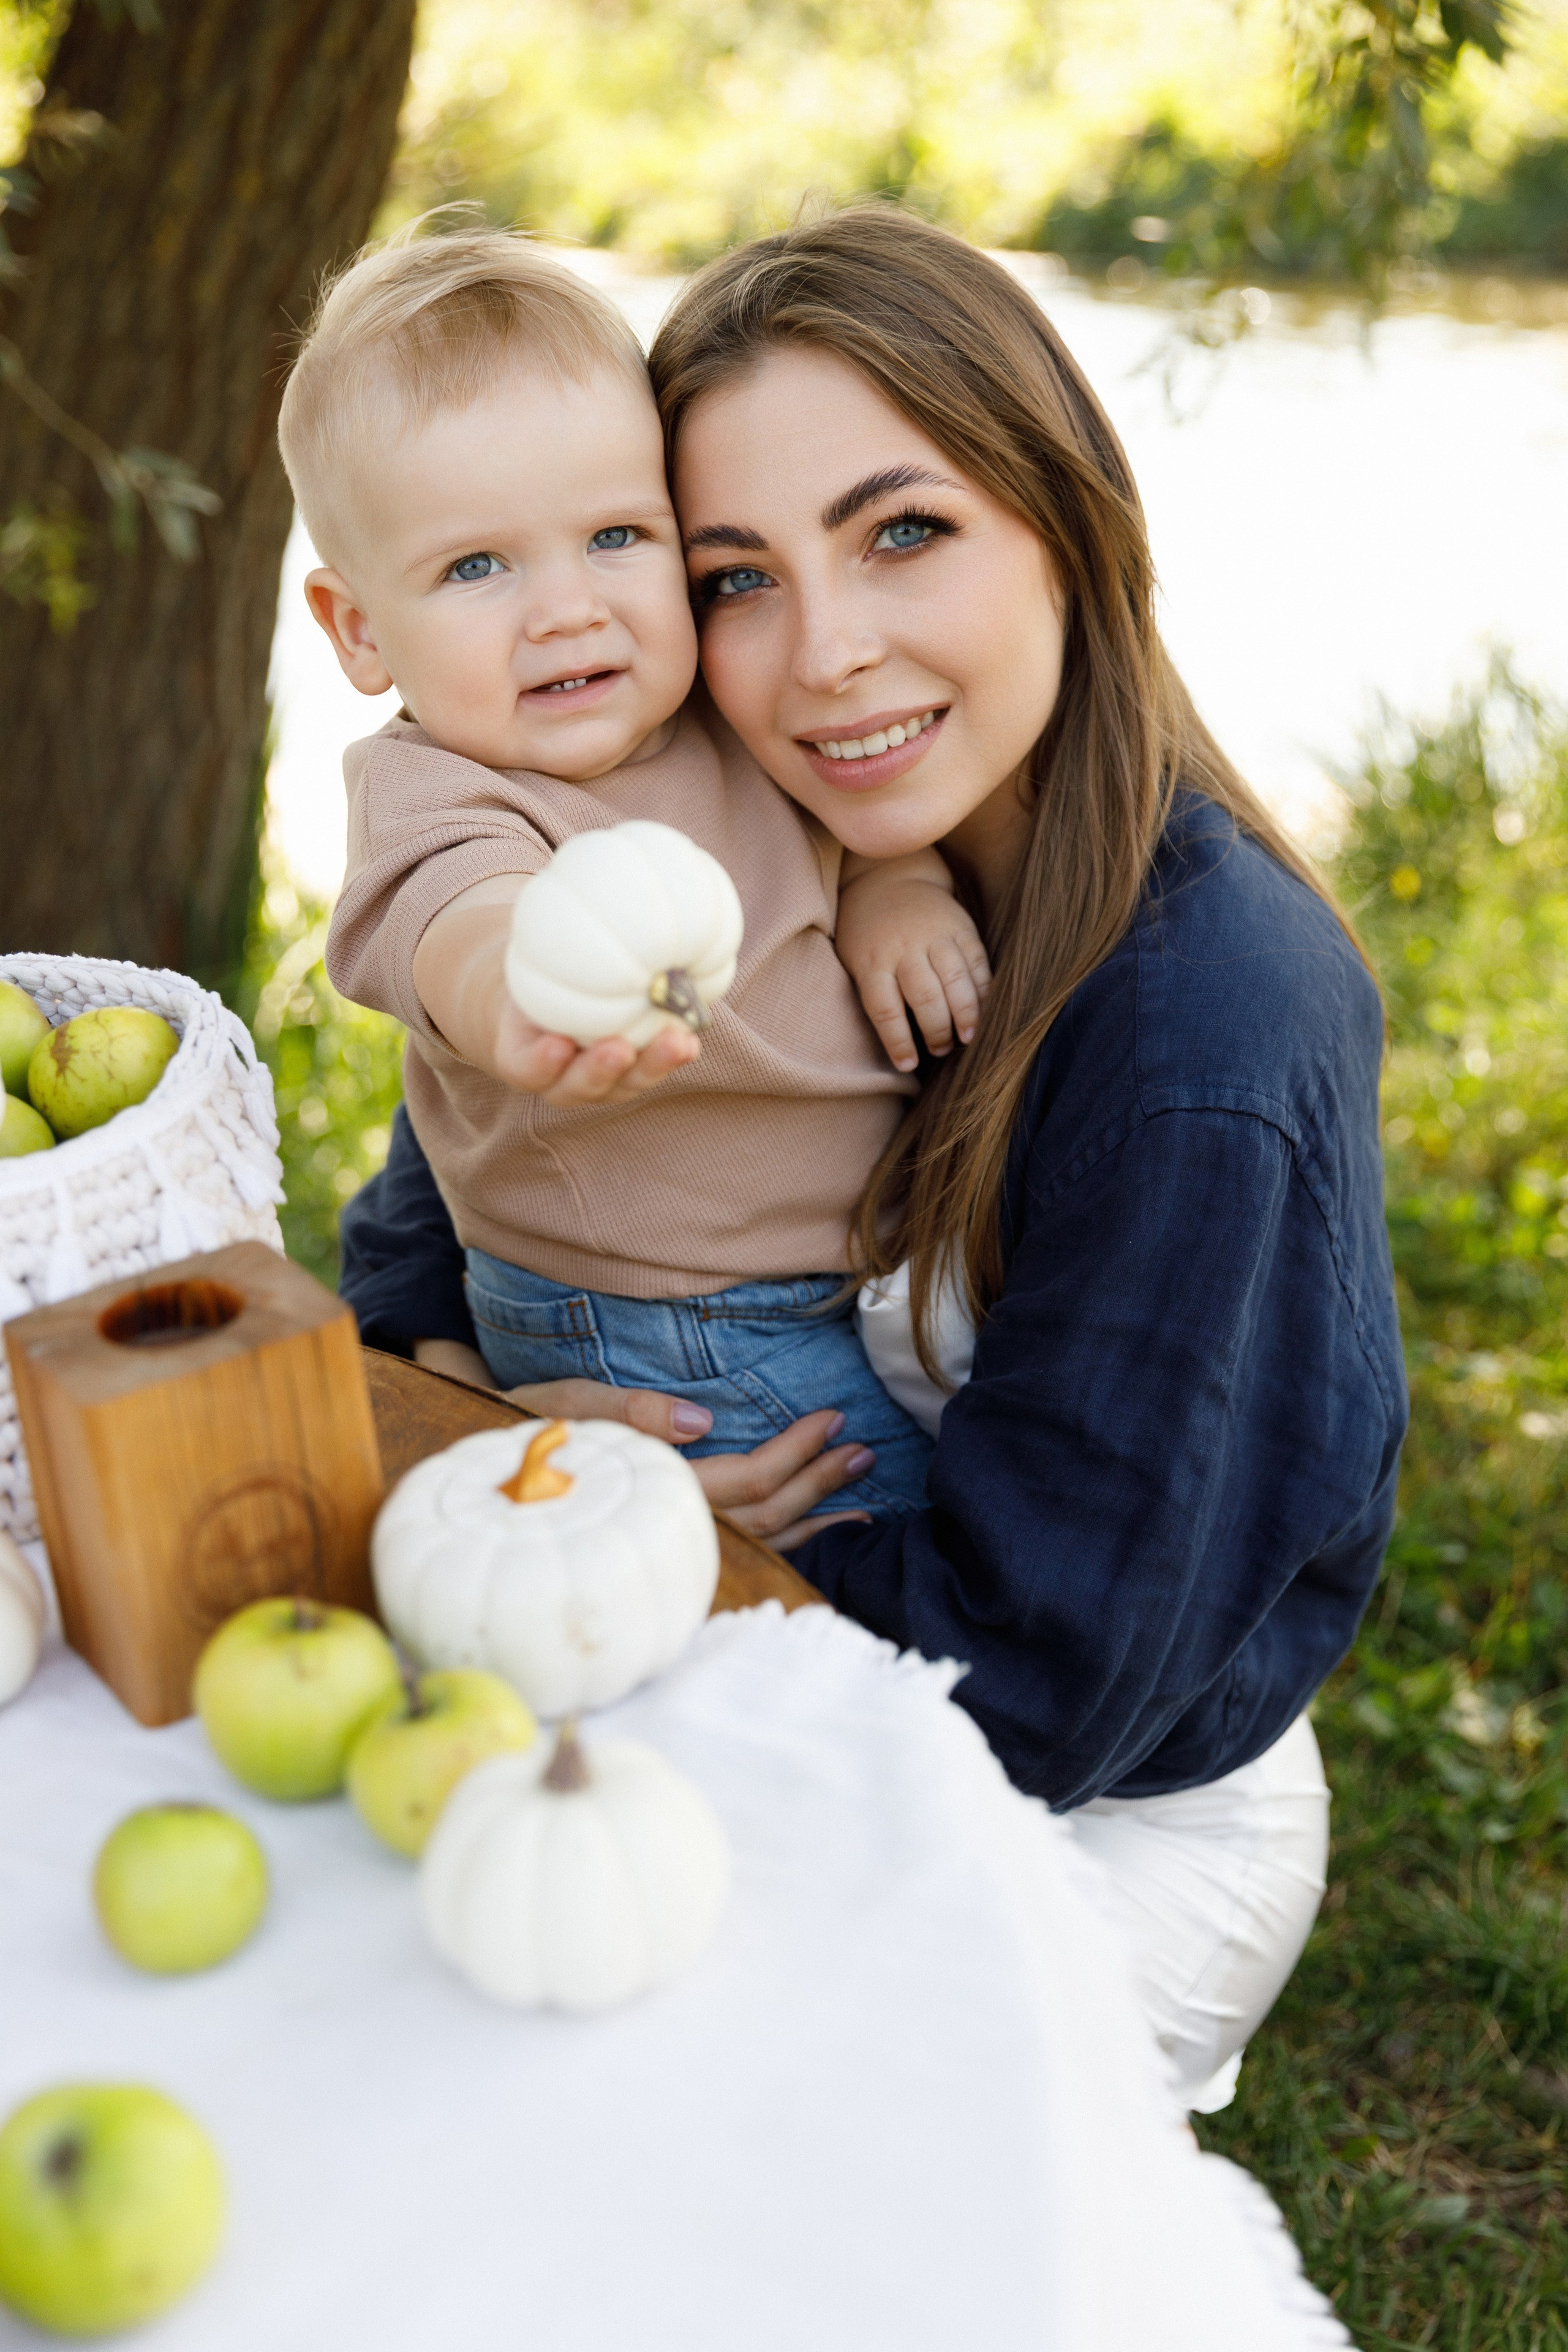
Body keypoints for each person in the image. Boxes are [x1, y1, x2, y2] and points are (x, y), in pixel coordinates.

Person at [339, 208, 1408, 2112]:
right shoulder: (723, 830)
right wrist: (474, 1413)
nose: (824, 656)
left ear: (1068, 520)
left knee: (576, 2079)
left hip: (1084, 1808)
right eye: (735, 575)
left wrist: (666, 1548)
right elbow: (451, 1187)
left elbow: (1040, 1686)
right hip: (803, 1638)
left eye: (903, 532)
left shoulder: (1205, 1038)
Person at [279, 226, 998, 1522]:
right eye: (476, 566)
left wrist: (900, 892)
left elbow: (848, 834)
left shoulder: (718, 705)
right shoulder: (441, 792)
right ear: (360, 629)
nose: (568, 609)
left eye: (615, 535)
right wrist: (524, 995)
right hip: (657, 1321)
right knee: (887, 1531)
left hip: (845, 1267)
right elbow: (464, 922)